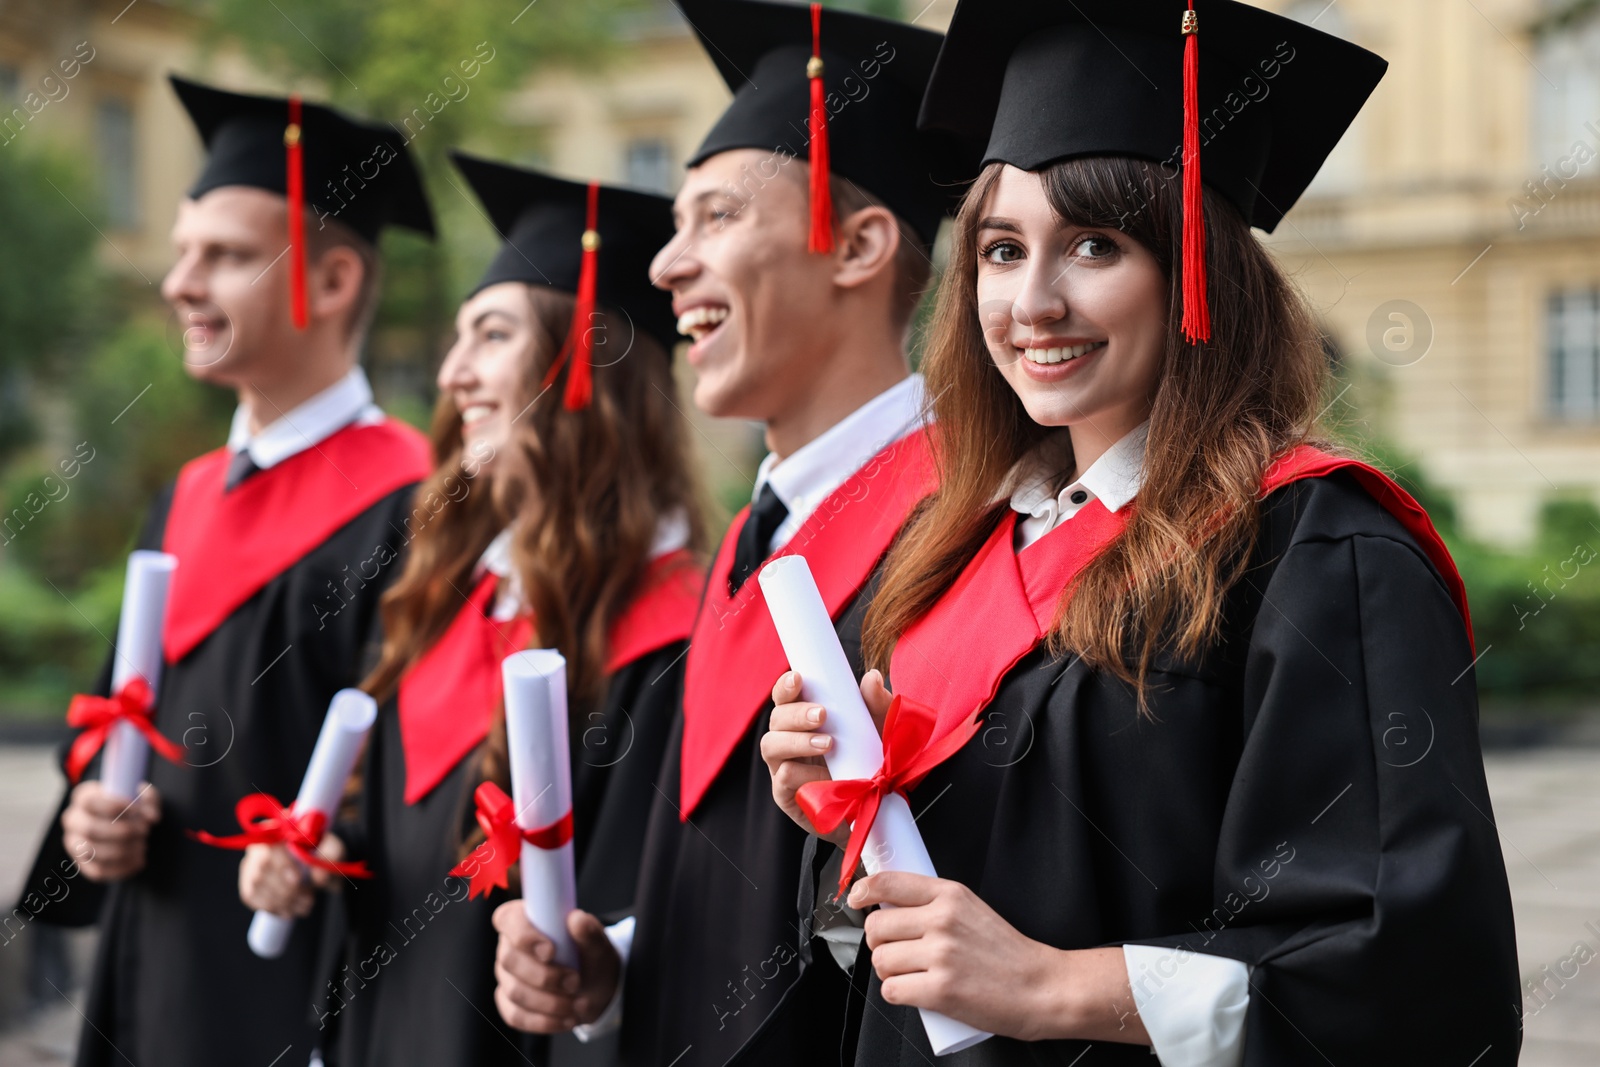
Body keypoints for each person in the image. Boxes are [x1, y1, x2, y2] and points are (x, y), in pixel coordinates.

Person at [760, 2, 1522, 1065]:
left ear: (1196, 270)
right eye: (999, 248)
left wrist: (1057, 985)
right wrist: (834, 803)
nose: (1033, 301)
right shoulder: (955, 549)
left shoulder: (1315, 550)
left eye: (1094, 245)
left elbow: (1405, 967)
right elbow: (915, 928)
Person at [489, 1, 973, 1064]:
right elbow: (712, 885)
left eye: (714, 218)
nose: (665, 268)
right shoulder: (756, 538)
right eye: (675, 225)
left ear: (856, 245)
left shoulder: (962, 537)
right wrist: (606, 967)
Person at [236, 155, 708, 1067]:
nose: (453, 372)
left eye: (490, 335)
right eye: (458, 340)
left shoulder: (667, 640)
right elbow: (397, 849)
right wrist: (313, 859)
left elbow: (640, 933)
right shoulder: (442, 600)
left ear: (582, 366)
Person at [19, 76, 438, 1066]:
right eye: (180, 253)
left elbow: (425, 784)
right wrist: (93, 813)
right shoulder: (187, 493)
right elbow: (114, 710)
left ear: (332, 282)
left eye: (226, 257)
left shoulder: (420, 506)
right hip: (148, 969)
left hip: (302, 989)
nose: (180, 284)